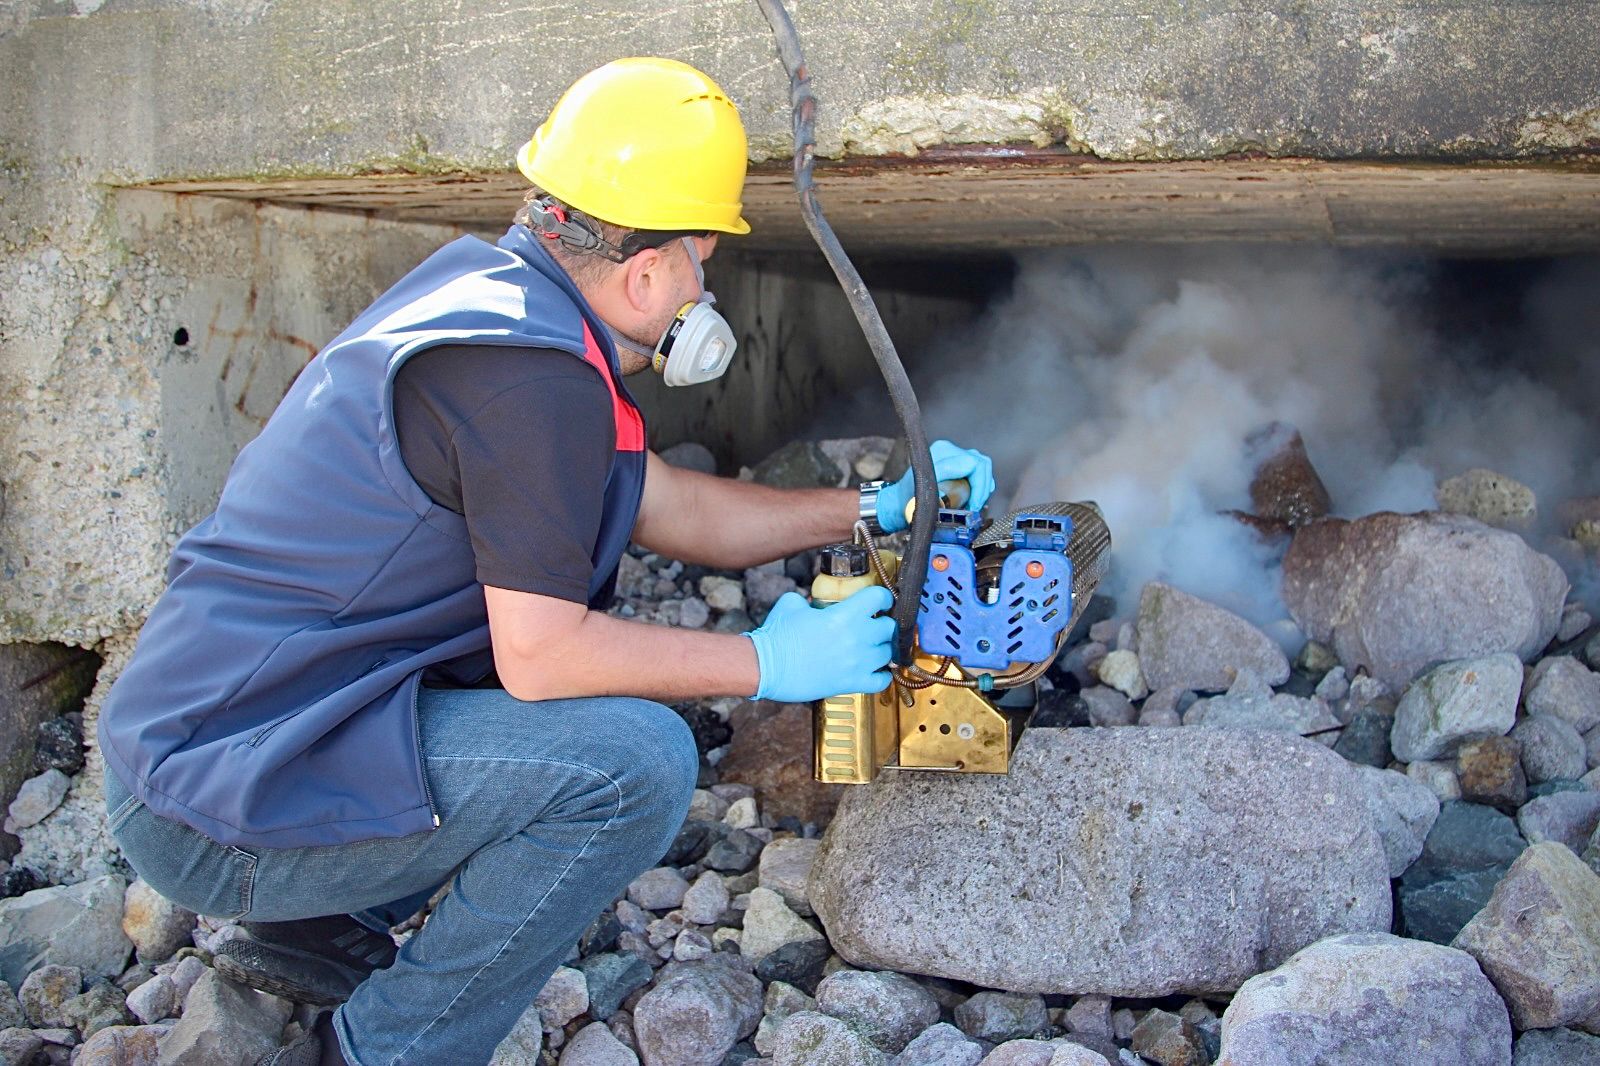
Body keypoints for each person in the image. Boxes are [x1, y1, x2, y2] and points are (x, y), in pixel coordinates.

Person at [97, 57, 995, 1065]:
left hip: (229, 741)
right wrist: (767, 662)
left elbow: (673, 503)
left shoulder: (505, 308)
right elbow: (541, 656)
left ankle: (315, 927)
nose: (704, 290)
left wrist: (873, 506)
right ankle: (387, 1049)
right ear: (645, 274)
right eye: (701, 263)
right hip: (214, 804)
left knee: (544, 709)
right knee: (631, 764)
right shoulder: (531, 383)